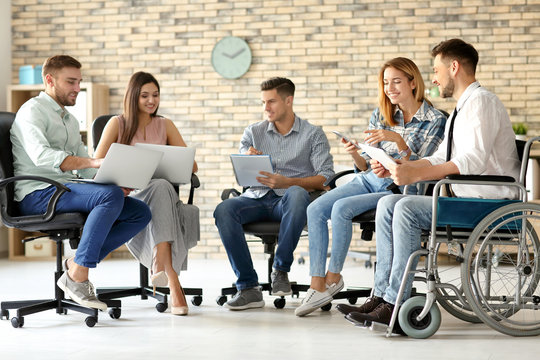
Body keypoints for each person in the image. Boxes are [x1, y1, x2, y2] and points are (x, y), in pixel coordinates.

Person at [342, 39, 521, 327]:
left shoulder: (482, 102)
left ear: (454, 67)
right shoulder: (461, 110)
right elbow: (440, 156)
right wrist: (402, 166)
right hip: (467, 200)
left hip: (490, 204)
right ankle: (381, 295)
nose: (434, 79)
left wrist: (416, 175)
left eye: (436, 70)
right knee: (389, 203)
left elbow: (472, 161)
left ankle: (394, 302)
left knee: (406, 208)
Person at [295, 58, 447, 317]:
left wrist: (397, 140)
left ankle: (333, 279)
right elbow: (366, 165)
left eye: (396, 81)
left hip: (396, 190)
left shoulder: (435, 119)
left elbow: (420, 167)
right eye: (386, 82)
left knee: (341, 208)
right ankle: (317, 284)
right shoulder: (382, 113)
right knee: (316, 208)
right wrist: (357, 154)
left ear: (413, 83)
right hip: (368, 180)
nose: (390, 88)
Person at [10, 55, 152, 311]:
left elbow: (86, 172)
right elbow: (42, 156)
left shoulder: (70, 120)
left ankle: (75, 265)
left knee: (139, 212)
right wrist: (94, 164)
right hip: (37, 193)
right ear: (49, 80)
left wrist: (111, 180)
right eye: (71, 82)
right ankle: (79, 276)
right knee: (108, 196)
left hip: (65, 188)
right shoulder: (32, 110)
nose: (77, 88)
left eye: (79, 82)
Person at [214, 77, 334, 310]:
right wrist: (248, 159)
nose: (266, 108)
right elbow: (242, 171)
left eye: (271, 102)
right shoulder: (253, 132)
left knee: (297, 193)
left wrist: (287, 181)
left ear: (288, 101)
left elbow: (325, 177)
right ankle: (248, 288)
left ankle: (280, 269)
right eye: (263, 102)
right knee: (224, 210)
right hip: (256, 198)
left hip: (290, 202)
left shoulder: (313, 134)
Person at [94, 71, 199, 316]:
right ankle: (172, 279)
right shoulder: (116, 124)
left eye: (155, 95)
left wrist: (170, 159)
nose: (152, 100)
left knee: (161, 185)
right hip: (130, 196)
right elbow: (96, 162)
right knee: (161, 189)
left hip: (160, 192)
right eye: (145, 96)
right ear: (133, 97)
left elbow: (191, 166)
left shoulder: (166, 125)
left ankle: (161, 263)